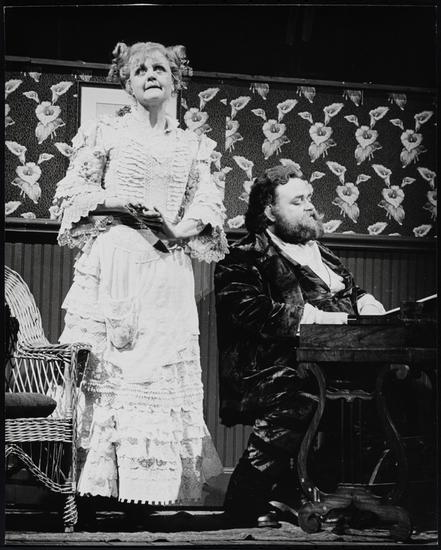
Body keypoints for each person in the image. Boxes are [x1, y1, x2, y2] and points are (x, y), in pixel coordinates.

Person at [51, 41, 227, 516]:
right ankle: (93, 490)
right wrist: (118, 203)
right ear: (127, 83)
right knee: (109, 369)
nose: (151, 75)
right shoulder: (104, 132)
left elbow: (208, 202)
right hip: (117, 259)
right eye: (140, 70)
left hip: (167, 266)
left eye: (160, 68)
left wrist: (178, 229)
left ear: (175, 80)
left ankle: (146, 492)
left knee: (157, 372)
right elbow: (74, 191)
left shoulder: (194, 145)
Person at [214, 164, 386, 527]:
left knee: (390, 390)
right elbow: (249, 311)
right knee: (303, 393)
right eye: (297, 201)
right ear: (269, 211)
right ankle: (245, 501)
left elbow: (350, 291)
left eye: (309, 198)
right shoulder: (245, 254)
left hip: (334, 360)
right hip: (270, 366)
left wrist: (367, 303)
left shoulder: (322, 253)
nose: (310, 206)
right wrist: (317, 319)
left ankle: (323, 495)